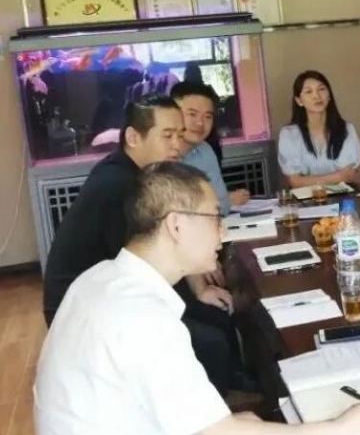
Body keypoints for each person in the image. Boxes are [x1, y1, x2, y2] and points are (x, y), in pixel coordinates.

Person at [35, 162, 360, 435]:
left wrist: (228, 426)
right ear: (175, 225)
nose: (223, 231)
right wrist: (344, 431)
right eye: (215, 218)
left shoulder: (104, 279)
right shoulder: (139, 316)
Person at [43, 97, 239, 395]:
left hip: (118, 293)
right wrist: (196, 294)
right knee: (209, 341)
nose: (177, 145)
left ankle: (236, 386)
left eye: (180, 135)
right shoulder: (120, 186)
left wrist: (199, 290)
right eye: (167, 136)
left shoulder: (138, 175)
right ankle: (210, 413)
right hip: (87, 316)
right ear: (134, 137)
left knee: (216, 315)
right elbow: (146, 264)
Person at [171, 81, 250, 215]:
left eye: (207, 116)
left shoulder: (205, 150)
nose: (200, 123)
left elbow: (223, 205)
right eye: (192, 114)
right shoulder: (159, 154)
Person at [277, 70, 360, 187]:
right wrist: (338, 177)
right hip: (305, 197)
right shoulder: (289, 135)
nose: (316, 96)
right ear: (299, 101)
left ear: (329, 95)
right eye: (308, 92)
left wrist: (308, 180)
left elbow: (348, 175)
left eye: (321, 89)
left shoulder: (346, 129)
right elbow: (295, 181)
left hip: (342, 195)